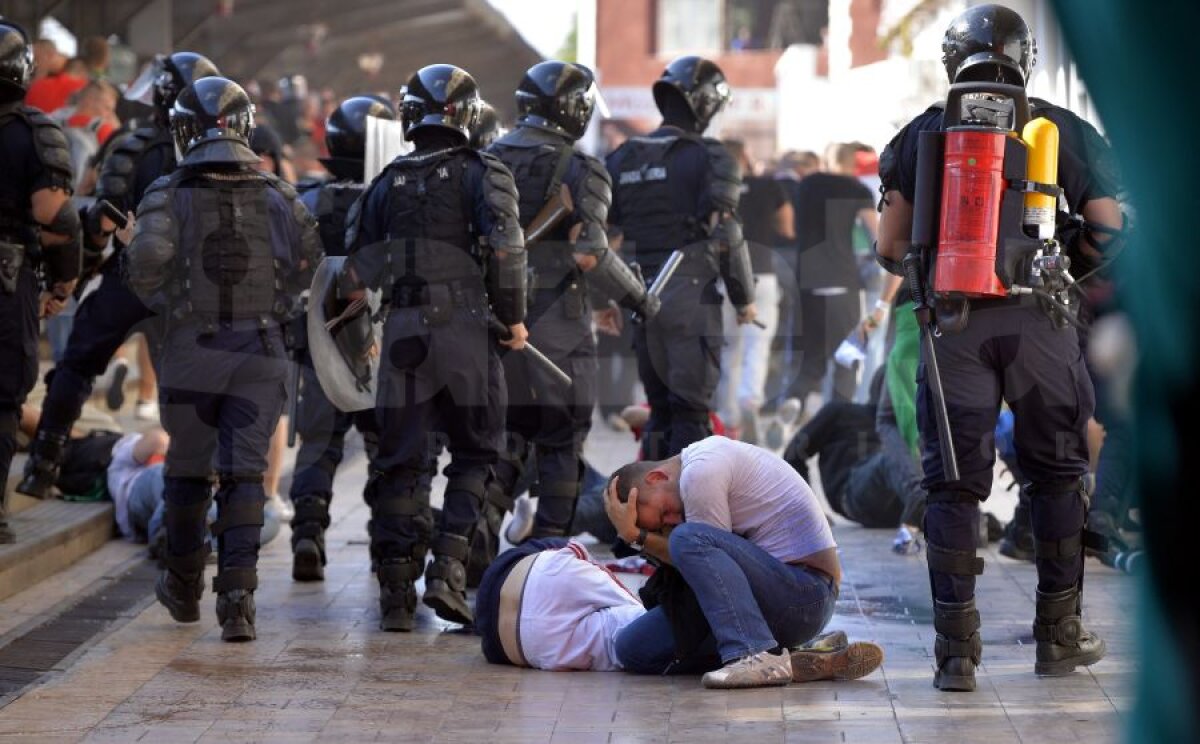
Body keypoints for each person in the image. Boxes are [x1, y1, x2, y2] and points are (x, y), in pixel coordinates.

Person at [874, 4, 1122, 691]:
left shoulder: (920, 132)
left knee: (953, 484)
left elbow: (889, 246)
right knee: (1057, 474)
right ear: (1026, 56)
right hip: (1039, 320)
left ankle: (956, 655)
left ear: (952, 60)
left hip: (949, 323)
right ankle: (1058, 636)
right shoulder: (1059, 127)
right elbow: (1107, 230)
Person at [124, 76, 320, 642]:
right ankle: (238, 601)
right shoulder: (280, 194)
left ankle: (184, 585)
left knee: (187, 470)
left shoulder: (166, 192)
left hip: (192, 350)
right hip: (261, 350)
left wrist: (171, 306)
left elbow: (146, 267)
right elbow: (314, 265)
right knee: (244, 475)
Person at [342, 64, 527, 631]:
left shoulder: (384, 182)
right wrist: (514, 318)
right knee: (476, 453)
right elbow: (506, 249)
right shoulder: (483, 172)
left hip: (401, 333)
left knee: (401, 463)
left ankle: (396, 594)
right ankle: (447, 571)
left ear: (410, 117)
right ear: (467, 116)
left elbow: (353, 270)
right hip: (466, 331)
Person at [18, 51, 221, 500]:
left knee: (76, 367)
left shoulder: (134, 147)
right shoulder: (217, 158)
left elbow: (100, 223)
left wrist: (75, 277)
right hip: (189, 292)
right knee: (188, 390)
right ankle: (188, 486)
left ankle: (44, 463)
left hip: (129, 280)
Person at [481, 60, 660, 570]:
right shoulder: (582, 169)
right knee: (560, 444)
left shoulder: (485, 160)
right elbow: (590, 254)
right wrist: (638, 300)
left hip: (493, 324)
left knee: (500, 443)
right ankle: (550, 565)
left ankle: (471, 558)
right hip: (559, 324)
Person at [603, 436, 883, 688]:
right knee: (632, 649)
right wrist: (641, 538)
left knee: (687, 538)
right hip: (776, 600)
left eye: (663, 513)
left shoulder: (700, 474)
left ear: (655, 477)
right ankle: (789, 659)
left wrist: (636, 537)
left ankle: (753, 653)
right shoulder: (697, 467)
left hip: (806, 596)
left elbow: (706, 570)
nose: (672, 521)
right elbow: (717, 584)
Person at [606, 56, 756, 461]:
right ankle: (686, 515)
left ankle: (651, 514)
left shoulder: (621, 159)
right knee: (690, 413)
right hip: (691, 294)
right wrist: (744, 298)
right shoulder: (712, 156)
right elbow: (727, 230)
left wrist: (610, 299)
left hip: (641, 296)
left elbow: (603, 239)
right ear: (706, 105)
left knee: (660, 411)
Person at [288, 95, 394, 582]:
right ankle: (385, 543)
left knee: (318, 446)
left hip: (319, 346)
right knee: (386, 450)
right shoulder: (394, 200)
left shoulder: (306, 201)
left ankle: (308, 533)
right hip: (382, 345)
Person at [0, 20, 81, 544]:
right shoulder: (35, 132)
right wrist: (63, 281)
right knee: (3, 395)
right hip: (6, 282)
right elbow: (56, 217)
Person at [781, 142, 878, 413]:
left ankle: (793, 401)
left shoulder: (806, 186)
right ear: (853, 163)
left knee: (810, 360)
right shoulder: (857, 189)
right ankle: (837, 421)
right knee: (847, 359)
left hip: (806, 284)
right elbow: (877, 237)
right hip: (842, 283)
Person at [715, 140, 792, 443]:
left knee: (728, 349)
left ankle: (728, 416)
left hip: (724, 277)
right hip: (762, 273)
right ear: (746, 157)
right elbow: (788, 227)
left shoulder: (717, 191)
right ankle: (751, 400)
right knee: (756, 345)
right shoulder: (769, 186)